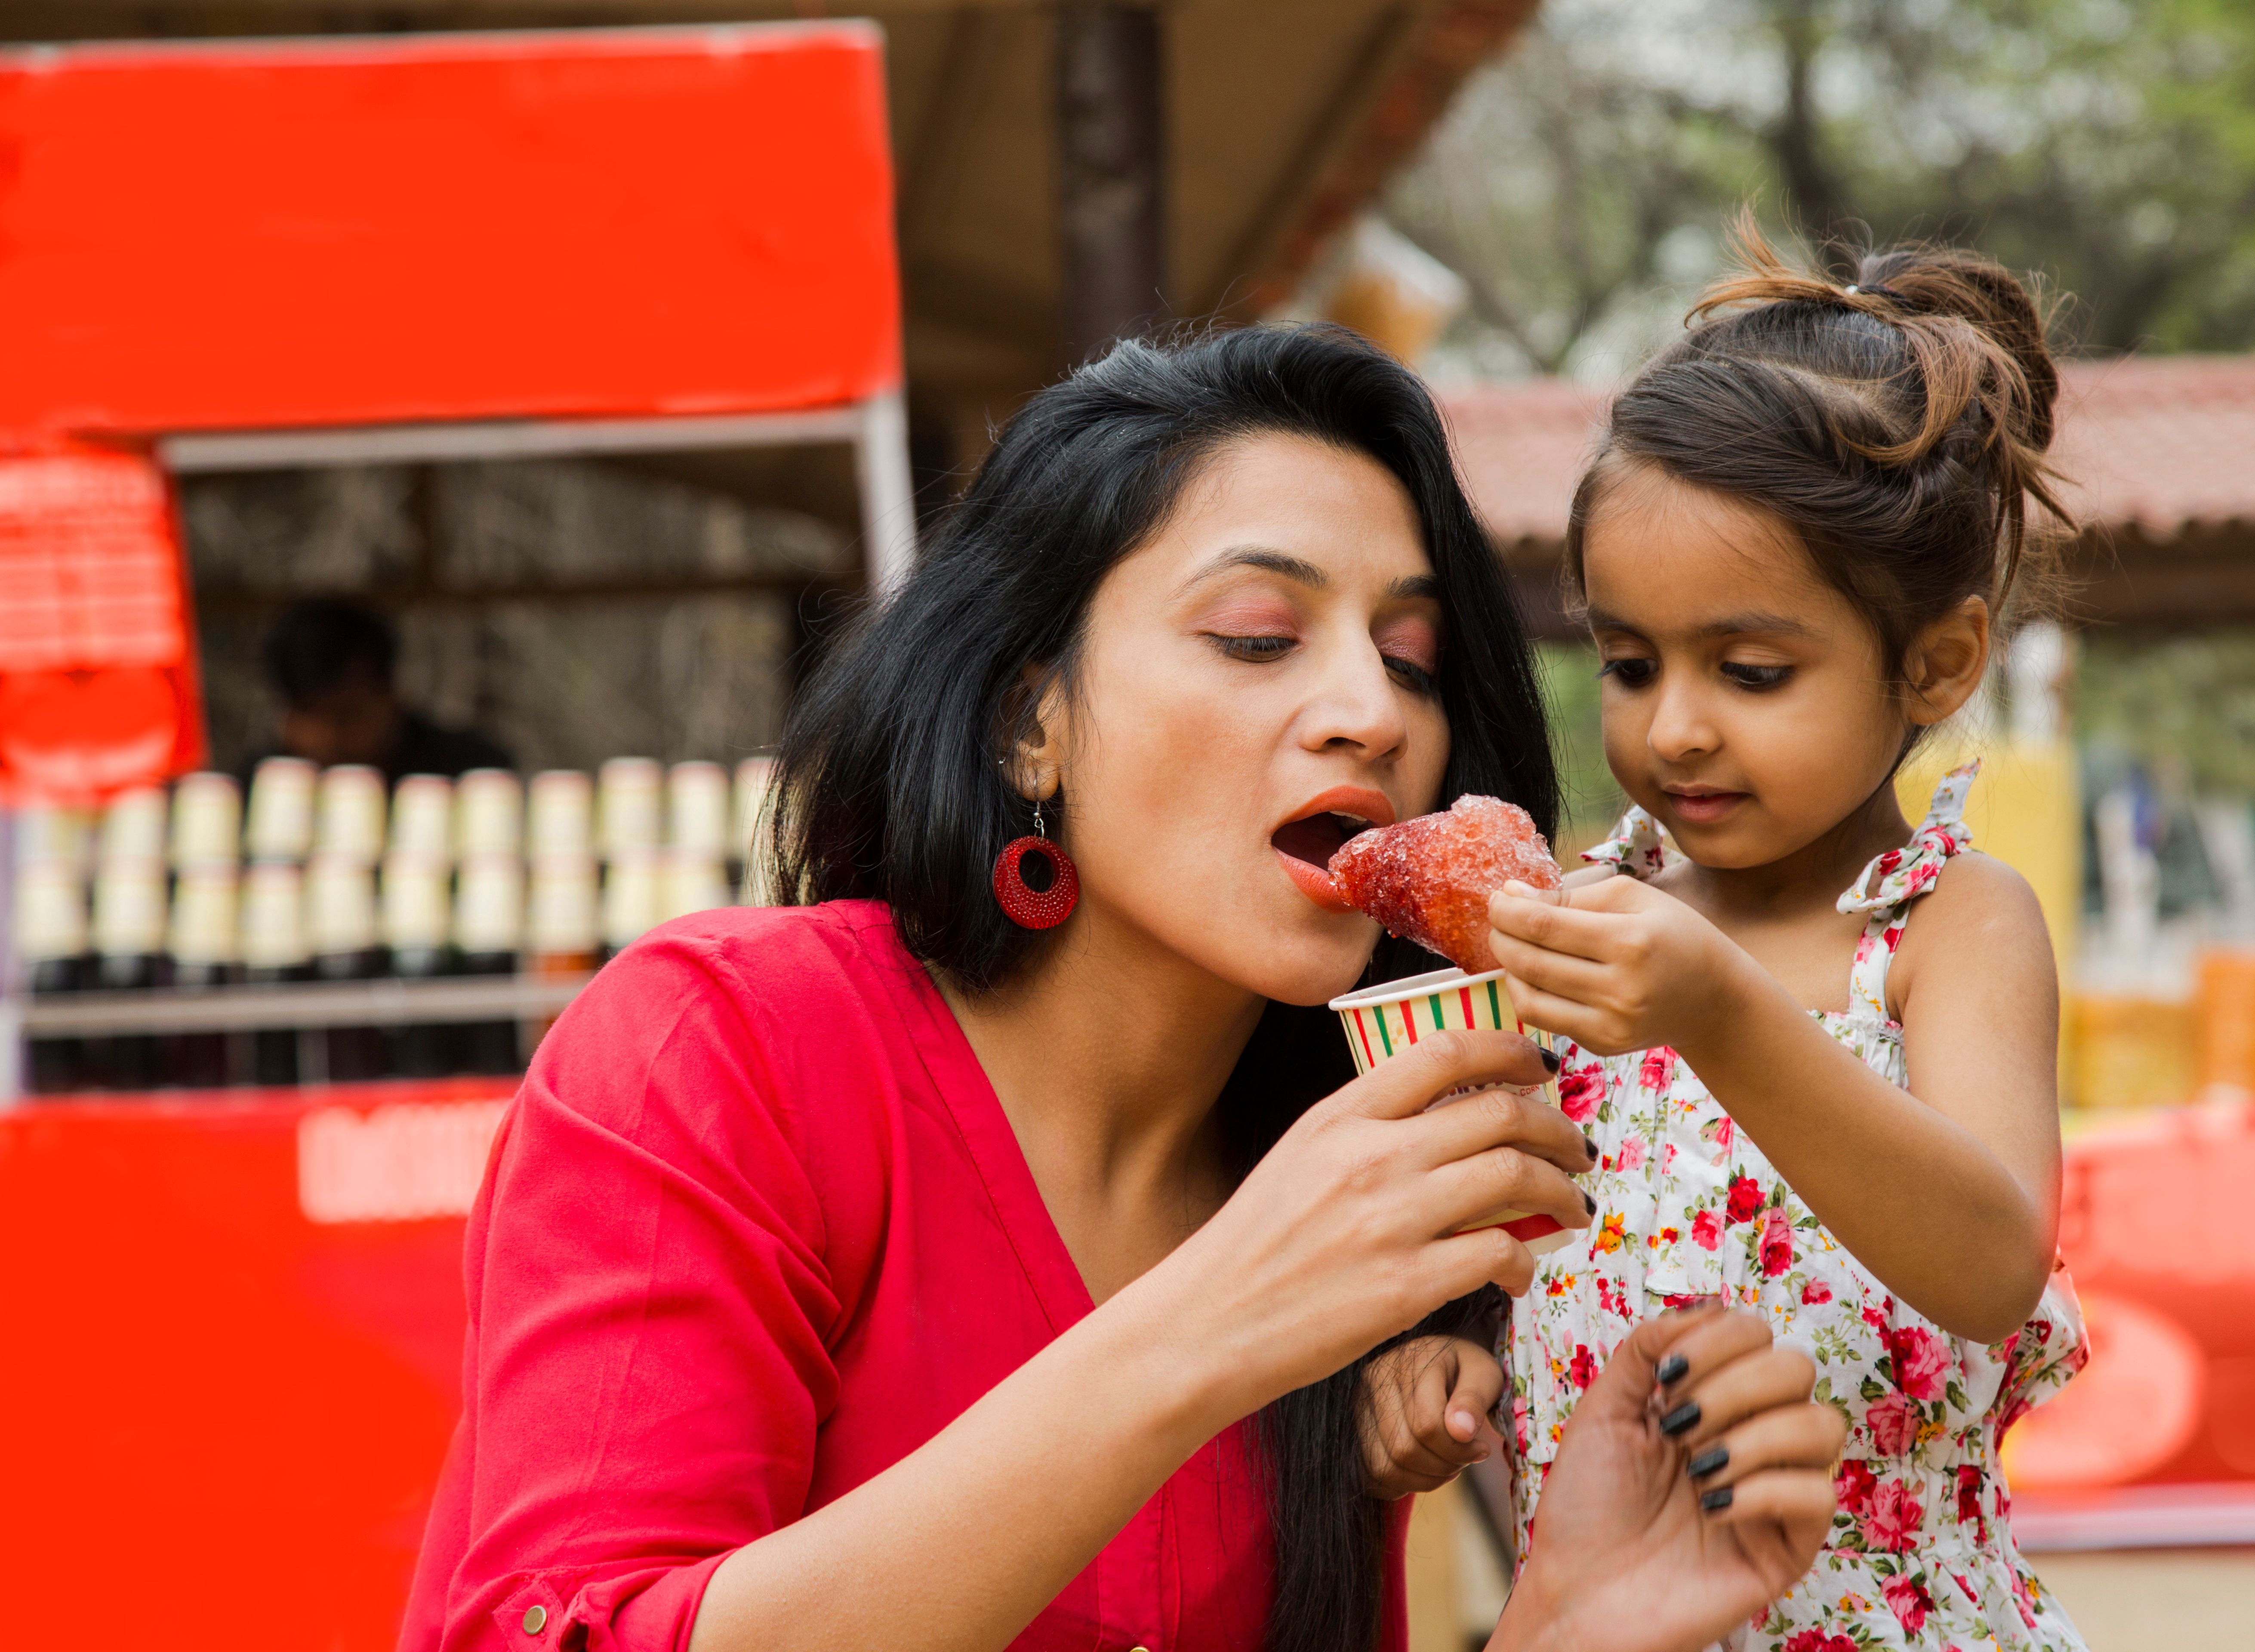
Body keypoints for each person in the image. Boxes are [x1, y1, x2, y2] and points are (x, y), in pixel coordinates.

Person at [399, 325, 1841, 1652]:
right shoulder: (726, 1051)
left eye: (1412, 659)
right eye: (1259, 636)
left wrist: (1564, 1626)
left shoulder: (1339, 1180)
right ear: (1034, 723)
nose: (1372, 713)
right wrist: (1212, 1326)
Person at [1359, 231, 2091, 1649]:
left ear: (1934, 662)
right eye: (1630, 664)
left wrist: (1725, 1010)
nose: (1675, 725)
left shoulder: (1948, 924)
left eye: (1751, 672)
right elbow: (1502, 1225)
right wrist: (1433, 1362)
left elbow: (1994, 1262)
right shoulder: (1583, 918)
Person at [261, 597, 511, 780]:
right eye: (310, 717)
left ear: (391, 697)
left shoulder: (466, 775)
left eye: (347, 716)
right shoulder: (265, 785)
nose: (329, 739)